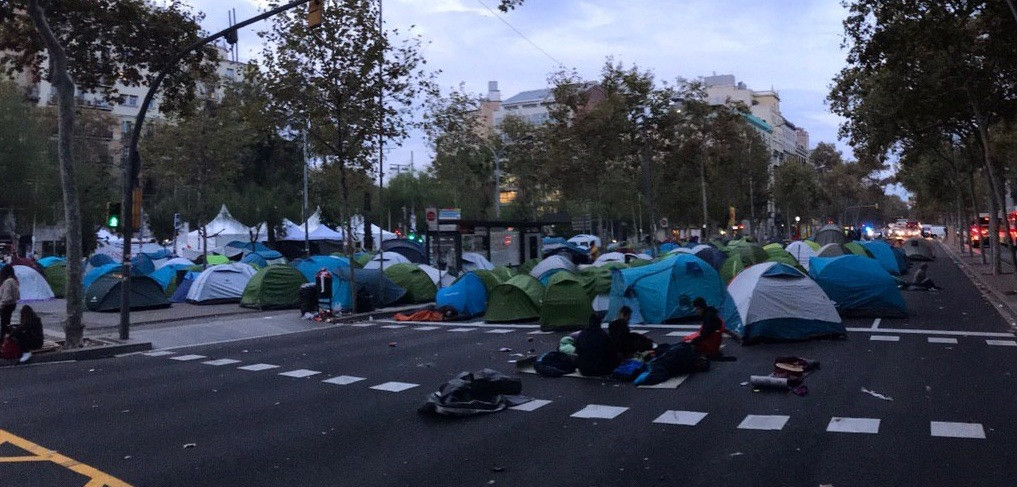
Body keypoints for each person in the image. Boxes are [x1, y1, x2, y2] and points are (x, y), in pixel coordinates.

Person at [0, 265, 19, 337]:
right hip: (12, 304)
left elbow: (7, 296)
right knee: (7, 323)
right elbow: (18, 295)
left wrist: (2, 305)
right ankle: (7, 338)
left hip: (5, 305)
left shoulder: (7, 282)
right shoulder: (14, 281)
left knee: (4, 324)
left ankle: (2, 340)